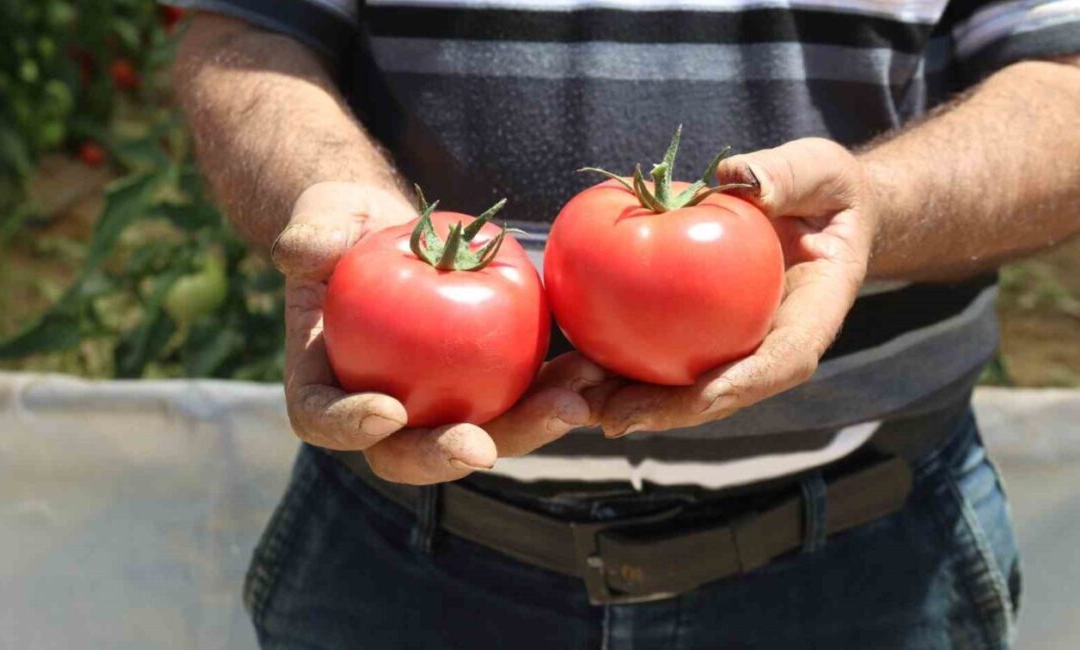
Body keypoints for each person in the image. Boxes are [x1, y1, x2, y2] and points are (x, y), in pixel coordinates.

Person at [170, 0, 1080, 647]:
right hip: (399, 557)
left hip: (876, 561)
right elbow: (248, 25)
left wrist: (876, 205)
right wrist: (333, 202)